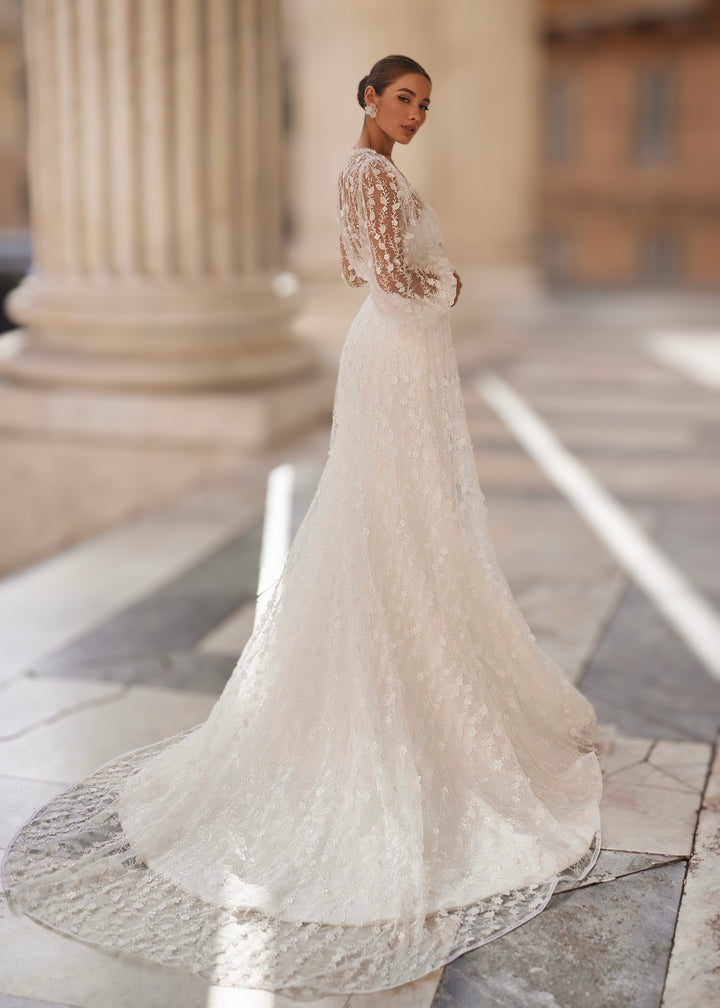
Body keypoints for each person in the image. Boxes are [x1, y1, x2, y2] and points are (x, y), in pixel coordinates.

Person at [1, 54, 603, 1001]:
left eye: (425, 105)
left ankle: (416, 674)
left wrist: (424, 283)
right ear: (368, 96)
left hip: (400, 365)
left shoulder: (377, 174)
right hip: (395, 358)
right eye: (403, 98)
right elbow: (378, 275)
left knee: (407, 525)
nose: (415, 114)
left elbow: (347, 263)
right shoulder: (365, 172)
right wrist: (443, 288)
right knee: (386, 524)